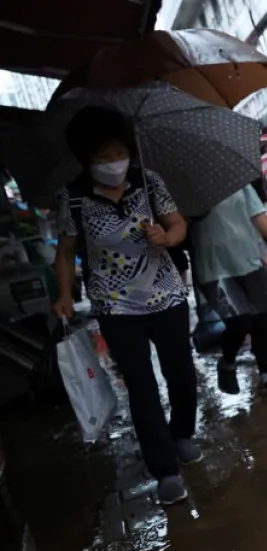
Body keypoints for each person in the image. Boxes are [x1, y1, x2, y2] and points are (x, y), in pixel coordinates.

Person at [51, 106, 200, 506]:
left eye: (117, 152)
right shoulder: (74, 199)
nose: (112, 163)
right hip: (115, 306)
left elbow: (179, 223)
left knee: (181, 371)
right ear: (86, 159)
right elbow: (64, 253)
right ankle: (164, 469)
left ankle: (182, 432)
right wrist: (64, 294)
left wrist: (168, 237)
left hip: (166, 294)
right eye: (102, 156)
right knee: (142, 386)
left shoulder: (149, 183)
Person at [189, 185, 267, 396]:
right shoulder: (187, 190)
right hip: (213, 265)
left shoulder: (237, 182)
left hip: (248, 259)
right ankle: (227, 363)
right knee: (239, 321)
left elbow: (257, 214)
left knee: (260, 320)